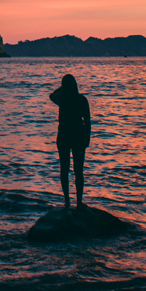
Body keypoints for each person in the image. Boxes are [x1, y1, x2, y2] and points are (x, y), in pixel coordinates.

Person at [49, 73, 91, 208]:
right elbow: (88, 122)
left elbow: (51, 95)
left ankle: (67, 201)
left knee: (64, 169)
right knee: (78, 171)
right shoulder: (82, 100)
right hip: (78, 136)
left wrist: (60, 88)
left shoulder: (61, 98)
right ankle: (79, 202)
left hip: (64, 136)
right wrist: (87, 139)